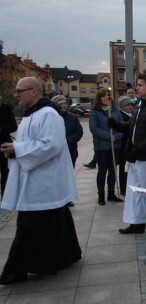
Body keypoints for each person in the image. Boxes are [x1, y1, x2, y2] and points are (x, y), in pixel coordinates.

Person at [0, 77, 81, 285]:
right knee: (57, 217)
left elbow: (51, 145)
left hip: (44, 180)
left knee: (29, 225)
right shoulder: (30, 115)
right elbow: (32, 142)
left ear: (34, 91)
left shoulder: (48, 114)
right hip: (35, 176)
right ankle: (68, 254)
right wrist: (14, 150)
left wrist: (17, 149)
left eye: (21, 90)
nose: (16, 94)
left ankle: (16, 270)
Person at [109, 73, 146, 234]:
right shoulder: (140, 103)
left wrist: (138, 150)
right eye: (137, 85)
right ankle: (137, 223)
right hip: (135, 156)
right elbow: (132, 126)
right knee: (135, 193)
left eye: (140, 85)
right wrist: (116, 125)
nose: (137, 88)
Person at [89, 88, 124, 205]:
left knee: (113, 171)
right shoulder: (95, 112)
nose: (105, 98)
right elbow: (94, 128)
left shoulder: (116, 111)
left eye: (107, 96)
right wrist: (108, 136)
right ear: (99, 98)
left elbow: (122, 127)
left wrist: (117, 136)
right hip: (102, 147)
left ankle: (111, 193)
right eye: (103, 96)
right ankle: (101, 195)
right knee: (102, 171)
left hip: (115, 146)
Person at [51, 95, 84, 167]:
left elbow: (79, 132)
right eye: (61, 104)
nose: (64, 105)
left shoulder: (73, 118)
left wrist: (68, 140)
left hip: (70, 152)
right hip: (55, 154)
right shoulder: (51, 118)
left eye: (65, 103)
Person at [0, 102, 17, 197]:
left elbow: (14, 126)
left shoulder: (6, 108)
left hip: (4, 145)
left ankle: (5, 196)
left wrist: (2, 129)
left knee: (5, 171)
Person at [118, 96, 135, 195]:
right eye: (127, 105)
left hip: (132, 145)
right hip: (123, 145)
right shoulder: (121, 116)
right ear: (122, 107)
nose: (129, 107)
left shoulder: (133, 114)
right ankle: (123, 188)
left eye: (130, 105)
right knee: (123, 167)